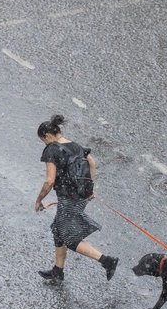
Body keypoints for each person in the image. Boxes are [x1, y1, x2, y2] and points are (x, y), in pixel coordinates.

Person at [35, 114, 118, 282]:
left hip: (68, 198)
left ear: (46, 135)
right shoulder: (75, 146)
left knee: (69, 238)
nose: (44, 144)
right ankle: (58, 271)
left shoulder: (52, 149)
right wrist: (89, 188)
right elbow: (92, 163)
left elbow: (49, 180)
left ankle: (107, 261)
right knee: (58, 230)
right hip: (80, 196)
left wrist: (39, 200)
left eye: (43, 140)